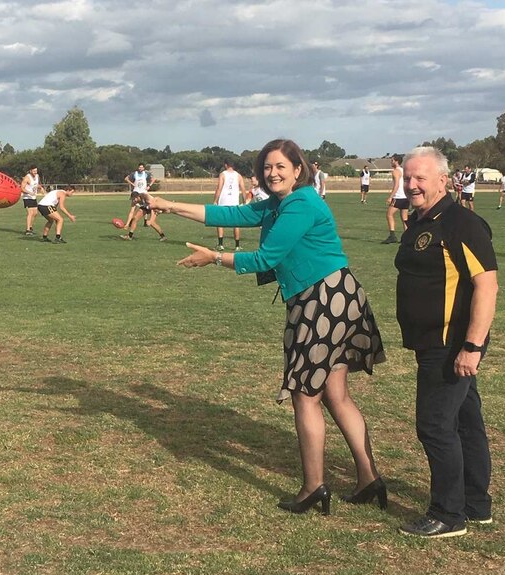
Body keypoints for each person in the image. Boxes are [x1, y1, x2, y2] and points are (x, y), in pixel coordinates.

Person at [149, 139, 387, 516]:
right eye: (266, 168)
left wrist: (214, 257)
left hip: (323, 299)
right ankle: (368, 478)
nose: (271, 173)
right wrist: (168, 205)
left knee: (305, 394)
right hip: (333, 295)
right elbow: (232, 216)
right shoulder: (280, 203)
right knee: (334, 393)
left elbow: (265, 258)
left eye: (280, 167)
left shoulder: (300, 203)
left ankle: (313, 487)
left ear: (298, 169)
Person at [394, 146, 497, 538]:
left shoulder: (461, 223)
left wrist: (472, 346)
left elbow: (486, 285)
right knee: (466, 422)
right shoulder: (421, 220)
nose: (413, 184)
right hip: (431, 342)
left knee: (435, 426)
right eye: (408, 177)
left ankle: (448, 514)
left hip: (451, 343)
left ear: (443, 180)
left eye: (420, 177)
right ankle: (475, 504)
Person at [213, 160, 245, 251]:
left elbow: (219, 188)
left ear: (226, 165)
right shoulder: (238, 176)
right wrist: (244, 202)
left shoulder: (223, 174)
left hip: (224, 201)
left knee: (220, 222)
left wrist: (215, 200)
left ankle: (220, 244)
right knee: (236, 224)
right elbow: (243, 189)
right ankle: (237, 246)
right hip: (234, 201)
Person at [381, 155, 408, 244]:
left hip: (398, 197)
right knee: (404, 218)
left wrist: (391, 196)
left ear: (396, 161)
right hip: (405, 197)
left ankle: (392, 236)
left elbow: (396, 185)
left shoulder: (396, 171)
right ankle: (407, 237)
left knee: (389, 214)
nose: (391, 162)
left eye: (392, 160)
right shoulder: (403, 170)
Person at [124, 164, 154, 228]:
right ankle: (127, 224)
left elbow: (153, 179)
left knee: (146, 207)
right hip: (135, 193)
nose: (140, 168)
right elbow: (126, 178)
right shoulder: (134, 173)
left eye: (142, 167)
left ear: (143, 168)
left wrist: (149, 186)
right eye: (139, 167)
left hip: (144, 193)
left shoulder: (146, 173)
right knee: (132, 209)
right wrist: (132, 184)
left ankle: (147, 221)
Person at [20, 166, 45, 236]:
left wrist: (41, 188)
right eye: (34, 171)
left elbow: (37, 185)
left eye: (36, 171)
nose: (35, 172)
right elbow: (22, 188)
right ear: (30, 171)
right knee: (30, 213)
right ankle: (27, 230)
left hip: (34, 197)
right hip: (27, 197)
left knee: (35, 213)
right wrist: (29, 192)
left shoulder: (37, 176)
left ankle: (30, 227)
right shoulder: (27, 177)